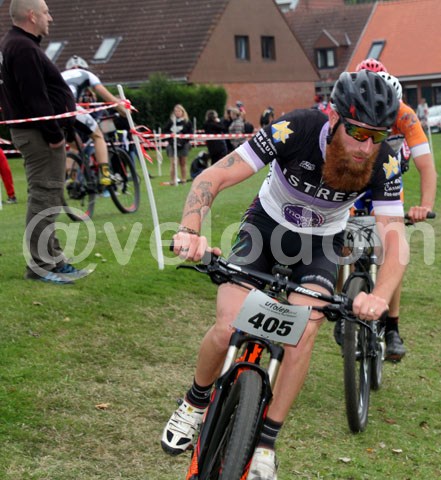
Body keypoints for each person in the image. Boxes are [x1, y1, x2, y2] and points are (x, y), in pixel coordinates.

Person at [161, 70, 407, 480]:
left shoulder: (385, 159)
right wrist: (189, 230)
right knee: (228, 326)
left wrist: (380, 294)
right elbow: (214, 176)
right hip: (266, 228)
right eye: (358, 133)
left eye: (377, 136)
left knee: (302, 334)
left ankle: (266, 444)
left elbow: (395, 238)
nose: (366, 147)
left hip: (321, 245)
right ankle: (194, 403)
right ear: (334, 118)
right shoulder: (296, 129)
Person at [353, 58, 436, 361]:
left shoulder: (404, 114)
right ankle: (342, 301)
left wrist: (425, 206)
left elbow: (426, 165)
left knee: (390, 248)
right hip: (353, 178)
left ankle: (392, 327)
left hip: (388, 180)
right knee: (337, 240)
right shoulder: (347, 108)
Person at [0, 0, 89, 284]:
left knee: (49, 196)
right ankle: (40, 266)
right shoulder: (22, 47)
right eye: (46, 12)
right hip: (39, 134)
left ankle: (54, 259)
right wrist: (54, 135)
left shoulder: (18, 44)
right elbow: (34, 97)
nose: (50, 18)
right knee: (44, 195)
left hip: (36, 132)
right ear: (31, 15)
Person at [62, 55, 127, 186]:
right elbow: (108, 97)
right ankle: (105, 174)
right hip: (71, 107)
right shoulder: (88, 75)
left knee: (75, 145)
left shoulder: (60, 74)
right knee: (98, 136)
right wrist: (123, 110)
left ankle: (70, 178)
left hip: (52, 112)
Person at [162, 104, 192, 185]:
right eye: (176, 111)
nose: (177, 113)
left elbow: (190, 134)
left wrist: (182, 141)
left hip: (183, 145)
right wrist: (171, 140)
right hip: (172, 145)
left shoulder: (187, 122)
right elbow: (165, 132)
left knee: (183, 163)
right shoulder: (171, 121)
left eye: (179, 111)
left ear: (182, 112)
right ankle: (173, 180)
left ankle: (183, 179)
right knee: (173, 163)